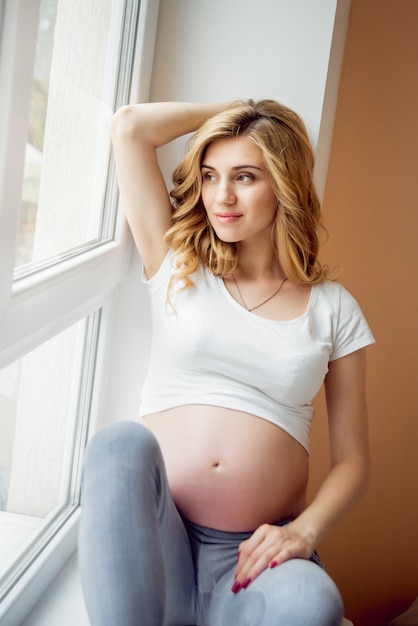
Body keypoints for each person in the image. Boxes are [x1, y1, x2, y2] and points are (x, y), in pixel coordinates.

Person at [79, 99, 375, 626]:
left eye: (244, 177)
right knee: (117, 444)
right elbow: (129, 129)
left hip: (249, 558)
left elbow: (353, 459)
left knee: (317, 604)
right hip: (154, 533)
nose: (222, 196)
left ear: (284, 183)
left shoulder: (333, 307)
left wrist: (302, 533)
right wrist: (236, 110)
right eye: (211, 175)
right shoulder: (177, 261)